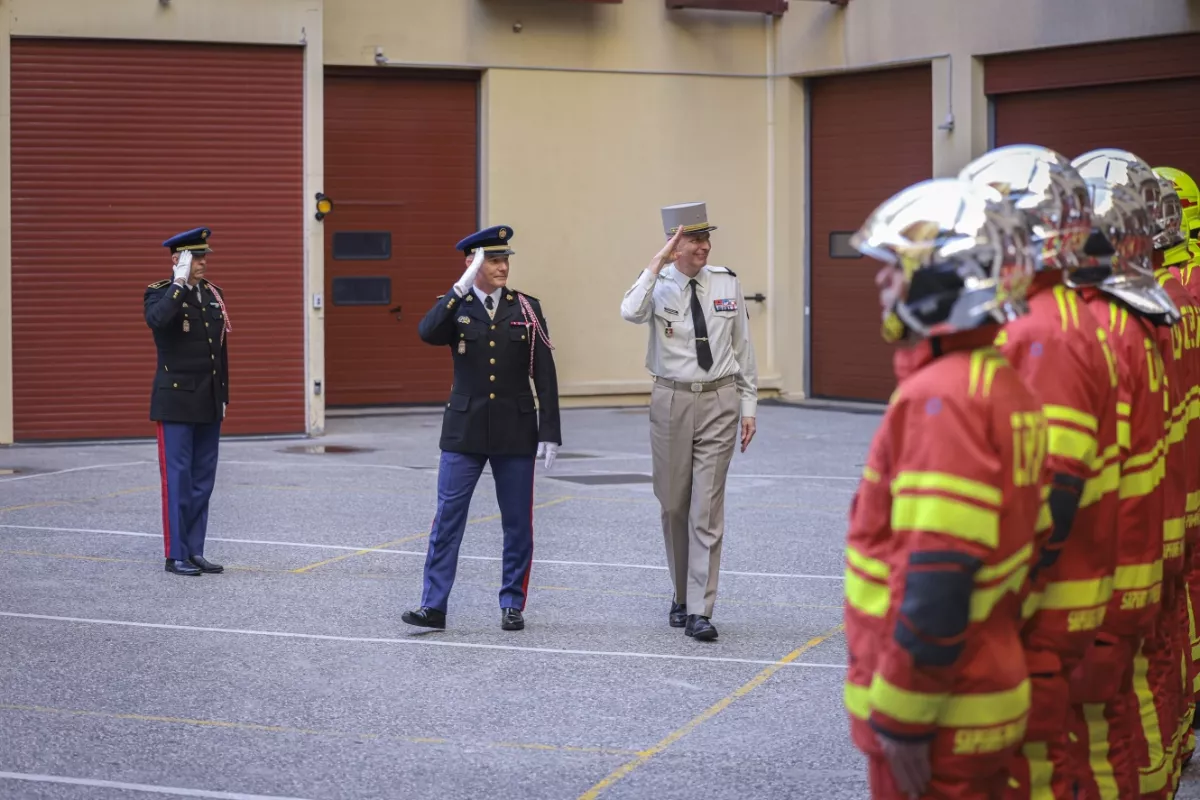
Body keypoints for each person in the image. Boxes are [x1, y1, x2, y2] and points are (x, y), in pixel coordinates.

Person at [842, 177, 1045, 799]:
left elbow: (938, 576)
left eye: (895, 270)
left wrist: (903, 720)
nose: (881, 284)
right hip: (984, 685)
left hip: (942, 716)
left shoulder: (943, 399)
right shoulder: (999, 383)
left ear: (939, 288)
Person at [959, 145, 1120, 800]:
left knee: (1039, 767)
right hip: (1059, 599)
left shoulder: (1042, 331)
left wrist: (997, 609)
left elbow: (1055, 492)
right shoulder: (1054, 319)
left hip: (1042, 607)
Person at [1065, 155, 1175, 798]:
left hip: (1096, 574)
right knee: (1142, 684)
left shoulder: (1075, 333)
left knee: (1090, 735)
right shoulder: (1146, 314)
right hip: (1150, 529)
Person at [402, 224, 561, 632]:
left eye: (504, 258)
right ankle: (433, 605)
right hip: (464, 431)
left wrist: (549, 432)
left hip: (515, 429)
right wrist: (459, 288)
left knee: (517, 524)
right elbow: (427, 332)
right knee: (448, 520)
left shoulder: (526, 307)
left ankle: (512, 603)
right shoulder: (454, 306)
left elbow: (545, 373)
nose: (502, 266)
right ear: (473, 263)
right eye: (493, 259)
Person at [619, 202, 758, 642]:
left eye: (705, 238)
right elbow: (629, 311)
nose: (704, 246)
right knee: (674, 503)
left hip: (719, 399)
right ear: (674, 245)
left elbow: (744, 346)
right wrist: (656, 262)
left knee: (706, 508)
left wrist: (749, 406)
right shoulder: (655, 285)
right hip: (671, 401)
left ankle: (700, 609)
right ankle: (680, 594)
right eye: (694, 240)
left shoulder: (725, 282)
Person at [143, 226, 230, 577]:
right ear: (177, 259)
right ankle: (174, 554)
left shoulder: (212, 294)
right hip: (176, 401)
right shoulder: (160, 294)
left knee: (202, 480)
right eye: (195, 257)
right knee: (177, 480)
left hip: (208, 402)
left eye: (204, 256)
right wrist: (178, 284)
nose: (203, 263)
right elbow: (159, 321)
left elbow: (219, 352)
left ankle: (195, 550)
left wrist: (222, 395)